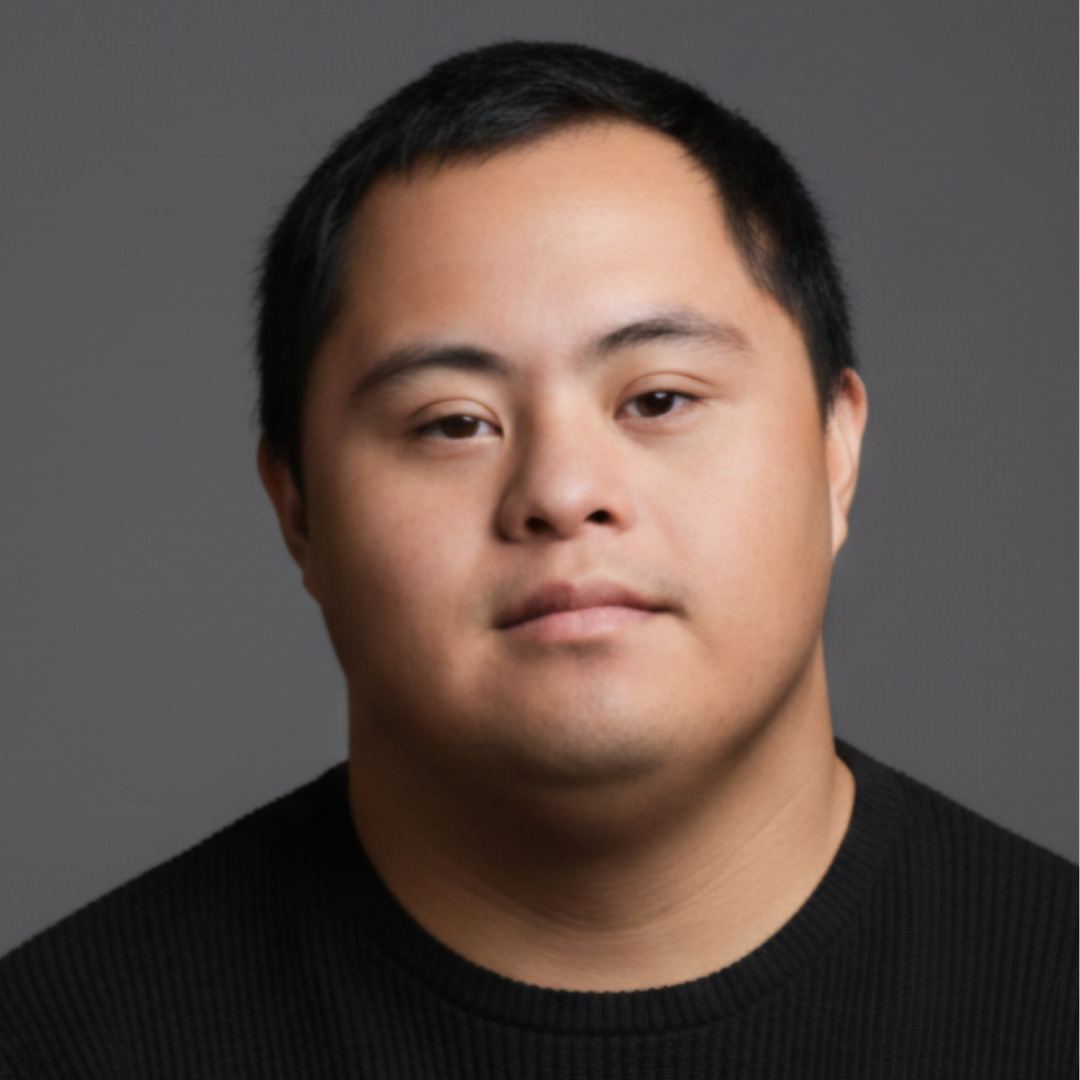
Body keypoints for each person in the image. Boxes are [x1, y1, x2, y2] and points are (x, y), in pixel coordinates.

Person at [0, 41, 1074, 1079]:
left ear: (835, 451)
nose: (561, 492)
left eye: (659, 399)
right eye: (453, 423)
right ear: (298, 510)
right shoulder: (55, 1046)